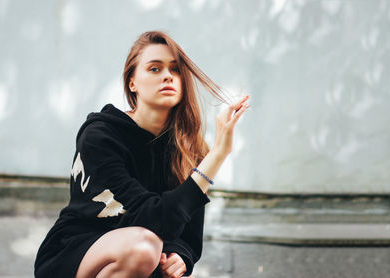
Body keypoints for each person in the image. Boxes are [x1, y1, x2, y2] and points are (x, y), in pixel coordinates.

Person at [34, 30, 249, 278]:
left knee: (151, 253)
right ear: (132, 83)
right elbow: (152, 218)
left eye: (175, 69)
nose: (168, 76)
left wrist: (180, 256)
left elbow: (187, 235)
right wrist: (219, 154)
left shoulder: (187, 148)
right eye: (155, 69)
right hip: (73, 255)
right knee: (144, 248)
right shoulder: (100, 137)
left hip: (140, 259)